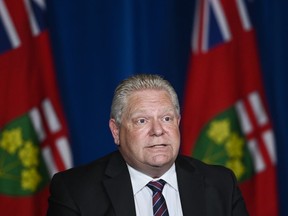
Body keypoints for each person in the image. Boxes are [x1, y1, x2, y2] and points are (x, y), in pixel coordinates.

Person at [47, 74, 249, 216]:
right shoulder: (75, 190)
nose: (158, 130)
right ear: (116, 131)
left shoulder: (221, 184)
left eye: (167, 118)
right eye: (142, 121)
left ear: (178, 122)